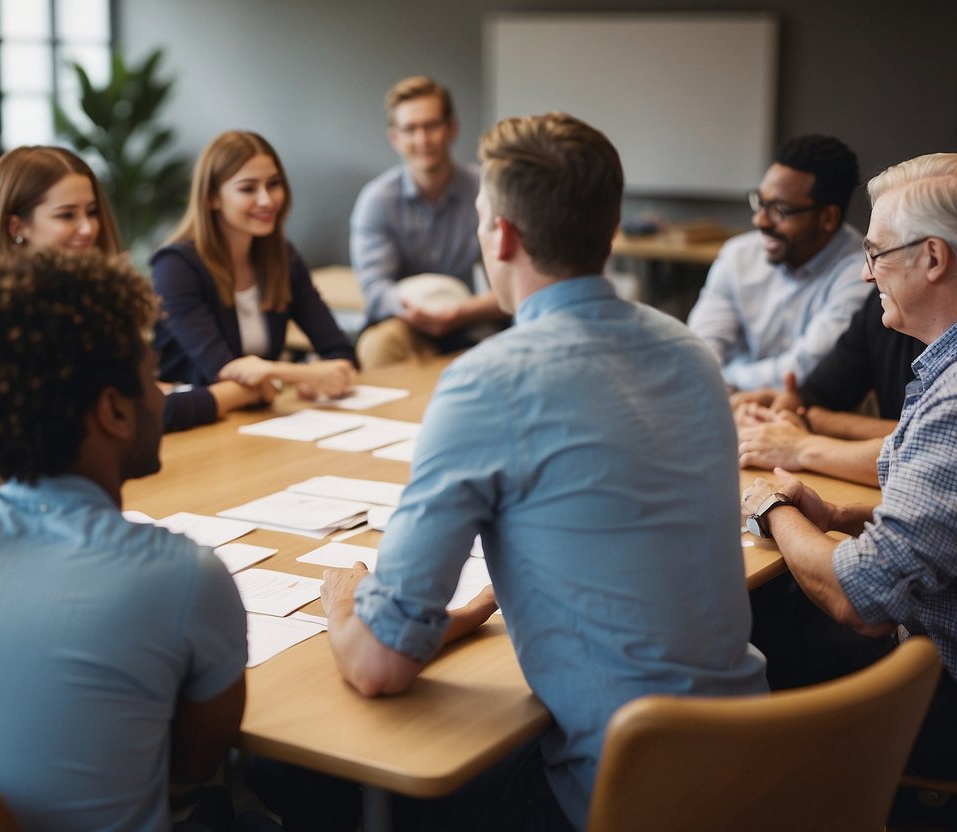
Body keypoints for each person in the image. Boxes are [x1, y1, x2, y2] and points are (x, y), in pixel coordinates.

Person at [321, 113, 767, 830]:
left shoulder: (486, 383)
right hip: (756, 761)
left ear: (500, 236)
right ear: (609, 225)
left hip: (622, 796)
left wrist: (342, 603)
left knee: (312, 780)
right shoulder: (690, 354)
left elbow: (378, 667)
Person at [0, 249, 253, 832]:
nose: (163, 393)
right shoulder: (185, 577)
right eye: (153, 375)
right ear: (114, 410)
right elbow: (194, 764)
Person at [741, 153, 957, 819]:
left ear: (933, 259)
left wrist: (770, 506)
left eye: (876, 252)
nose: (862, 270)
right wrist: (839, 513)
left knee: (746, 636)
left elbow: (863, 597)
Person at [0, 144, 270, 430]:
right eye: (66, 216)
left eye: (91, 212)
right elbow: (111, 415)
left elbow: (134, 396)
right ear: (17, 227)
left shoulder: (86, 292)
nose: (88, 228)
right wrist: (231, 394)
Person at [152, 131, 356, 399]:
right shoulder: (175, 267)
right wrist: (304, 374)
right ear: (212, 198)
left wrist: (310, 374)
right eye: (248, 188)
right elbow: (222, 370)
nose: (266, 200)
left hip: (261, 415)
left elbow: (341, 353)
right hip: (198, 420)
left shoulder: (282, 257)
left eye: (273, 184)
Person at [687, 134, 870, 391]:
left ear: (828, 217)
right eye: (760, 202)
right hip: (725, 400)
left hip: (806, 414)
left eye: (780, 210)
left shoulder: (862, 273)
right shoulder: (738, 256)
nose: (760, 221)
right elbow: (700, 347)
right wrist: (712, 379)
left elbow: (803, 370)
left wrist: (724, 380)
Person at [350, 76, 508, 368]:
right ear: (394, 137)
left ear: (451, 128)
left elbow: (515, 278)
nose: (422, 140)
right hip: (410, 324)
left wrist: (461, 313)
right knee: (377, 345)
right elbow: (376, 290)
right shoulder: (377, 201)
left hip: (478, 321)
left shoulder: (487, 189)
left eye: (431, 125)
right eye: (410, 129)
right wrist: (423, 315)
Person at [732, 288, 925, 486]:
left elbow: (927, 443)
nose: (866, 274)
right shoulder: (880, 304)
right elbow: (810, 402)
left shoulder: (954, 348)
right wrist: (790, 413)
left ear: (934, 259)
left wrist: (801, 444)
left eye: (878, 256)